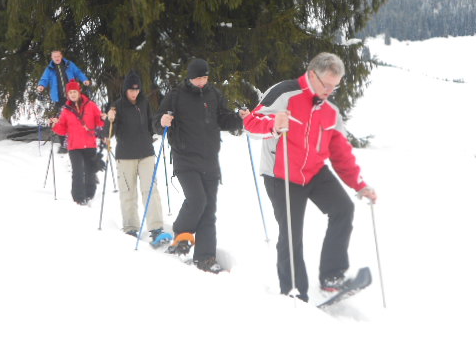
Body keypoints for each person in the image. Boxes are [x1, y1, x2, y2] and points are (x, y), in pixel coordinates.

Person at [243, 52, 377, 302]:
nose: (329, 90)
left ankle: (332, 276)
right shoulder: (286, 92)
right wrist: (274, 122)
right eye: (326, 84)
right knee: (291, 233)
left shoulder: (330, 111)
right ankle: (294, 290)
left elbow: (340, 154)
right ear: (312, 74)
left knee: (343, 209)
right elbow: (251, 122)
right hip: (281, 174)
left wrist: (360, 185)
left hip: (314, 172)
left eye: (334, 86)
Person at [154, 58, 249, 273]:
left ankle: (205, 258)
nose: (202, 81)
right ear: (190, 77)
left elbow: (223, 119)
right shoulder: (176, 95)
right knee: (197, 200)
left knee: (209, 210)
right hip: (185, 157)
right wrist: (162, 122)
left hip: (209, 159)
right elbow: (157, 121)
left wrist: (239, 118)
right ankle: (181, 233)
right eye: (198, 78)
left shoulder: (213, 94)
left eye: (205, 77)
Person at [106, 72, 165, 242]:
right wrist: (109, 120)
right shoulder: (117, 106)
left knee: (150, 190)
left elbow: (151, 125)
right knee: (128, 192)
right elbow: (108, 134)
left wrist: (162, 126)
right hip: (126, 156)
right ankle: (131, 227)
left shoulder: (144, 103)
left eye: (137, 89)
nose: (134, 93)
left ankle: (156, 227)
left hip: (146, 153)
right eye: (131, 90)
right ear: (125, 89)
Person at [50, 80, 106, 205]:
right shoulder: (66, 110)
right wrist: (54, 124)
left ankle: (90, 194)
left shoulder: (91, 105)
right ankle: (78, 198)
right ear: (68, 94)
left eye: (75, 91)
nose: (73, 94)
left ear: (79, 92)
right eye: (70, 92)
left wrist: (102, 118)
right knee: (78, 172)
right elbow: (62, 130)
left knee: (90, 170)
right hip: (74, 146)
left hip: (90, 144)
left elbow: (99, 122)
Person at [37, 50, 90, 153]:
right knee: (61, 121)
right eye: (54, 57)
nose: (56, 58)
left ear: (61, 56)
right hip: (59, 99)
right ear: (52, 58)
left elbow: (78, 72)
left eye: (58, 56)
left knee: (76, 120)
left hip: (72, 98)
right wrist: (41, 85)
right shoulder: (50, 68)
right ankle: (64, 144)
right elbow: (44, 79)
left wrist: (84, 79)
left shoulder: (69, 65)